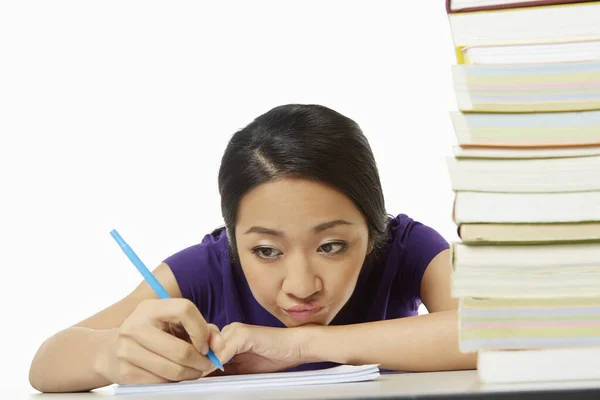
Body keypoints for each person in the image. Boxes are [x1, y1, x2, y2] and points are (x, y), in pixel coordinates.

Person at [29, 104, 476, 393]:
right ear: (232, 238)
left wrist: (301, 344)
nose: (301, 287)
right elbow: (46, 363)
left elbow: (496, 335)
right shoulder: (202, 269)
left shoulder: (407, 247)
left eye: (333, 245)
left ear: (373, 230)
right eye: (265, 250)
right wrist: (108, 355)